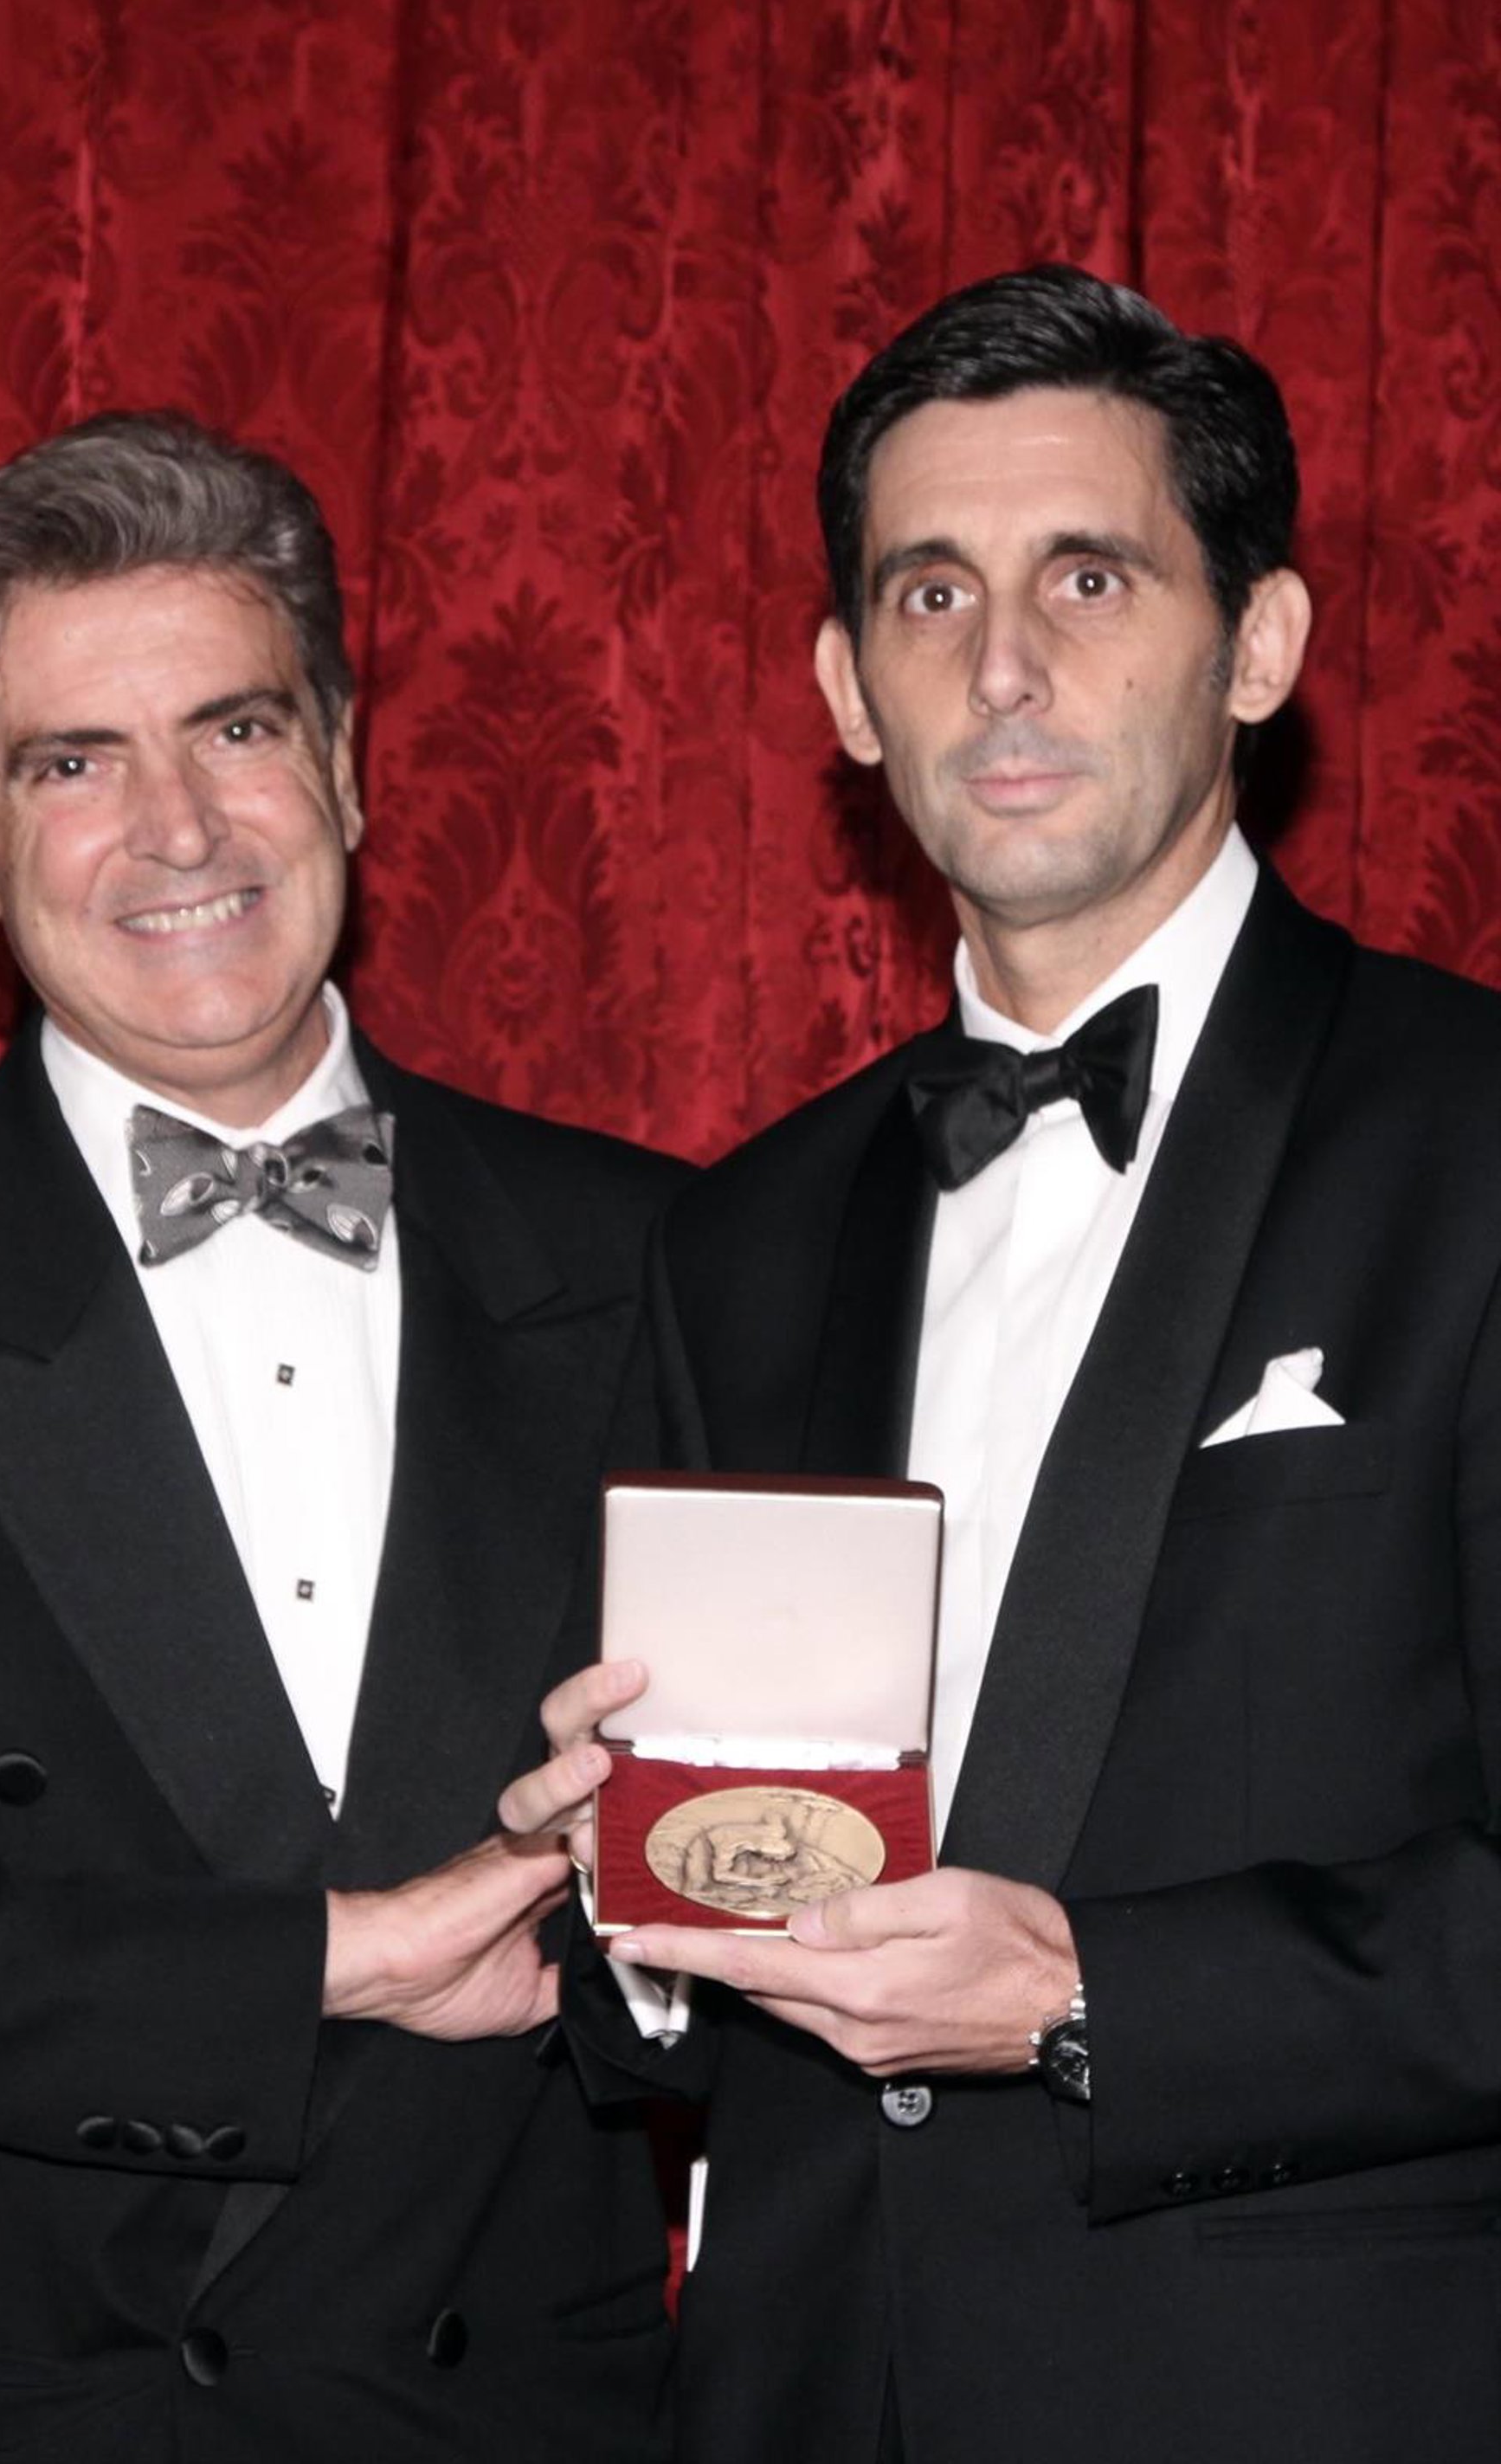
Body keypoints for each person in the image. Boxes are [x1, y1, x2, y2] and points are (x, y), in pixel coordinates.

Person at [506, 265, 1501, 2464]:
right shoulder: (741, 1236)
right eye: (932, 593)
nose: (1007, 665)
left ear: (1261, 645)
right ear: (847, 690)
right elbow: (655, 1999)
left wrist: (1087, 1996)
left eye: (1090, 576)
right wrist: (628, 1894)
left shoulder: (1473, 1143)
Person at [0, 411, 682, 2462]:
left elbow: (821, 1879)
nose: (181, 830)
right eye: (73, 764)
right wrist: (331, 1960)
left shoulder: (677, 1257)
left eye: (235, 729)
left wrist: (647, 1928)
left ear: (348, 765)